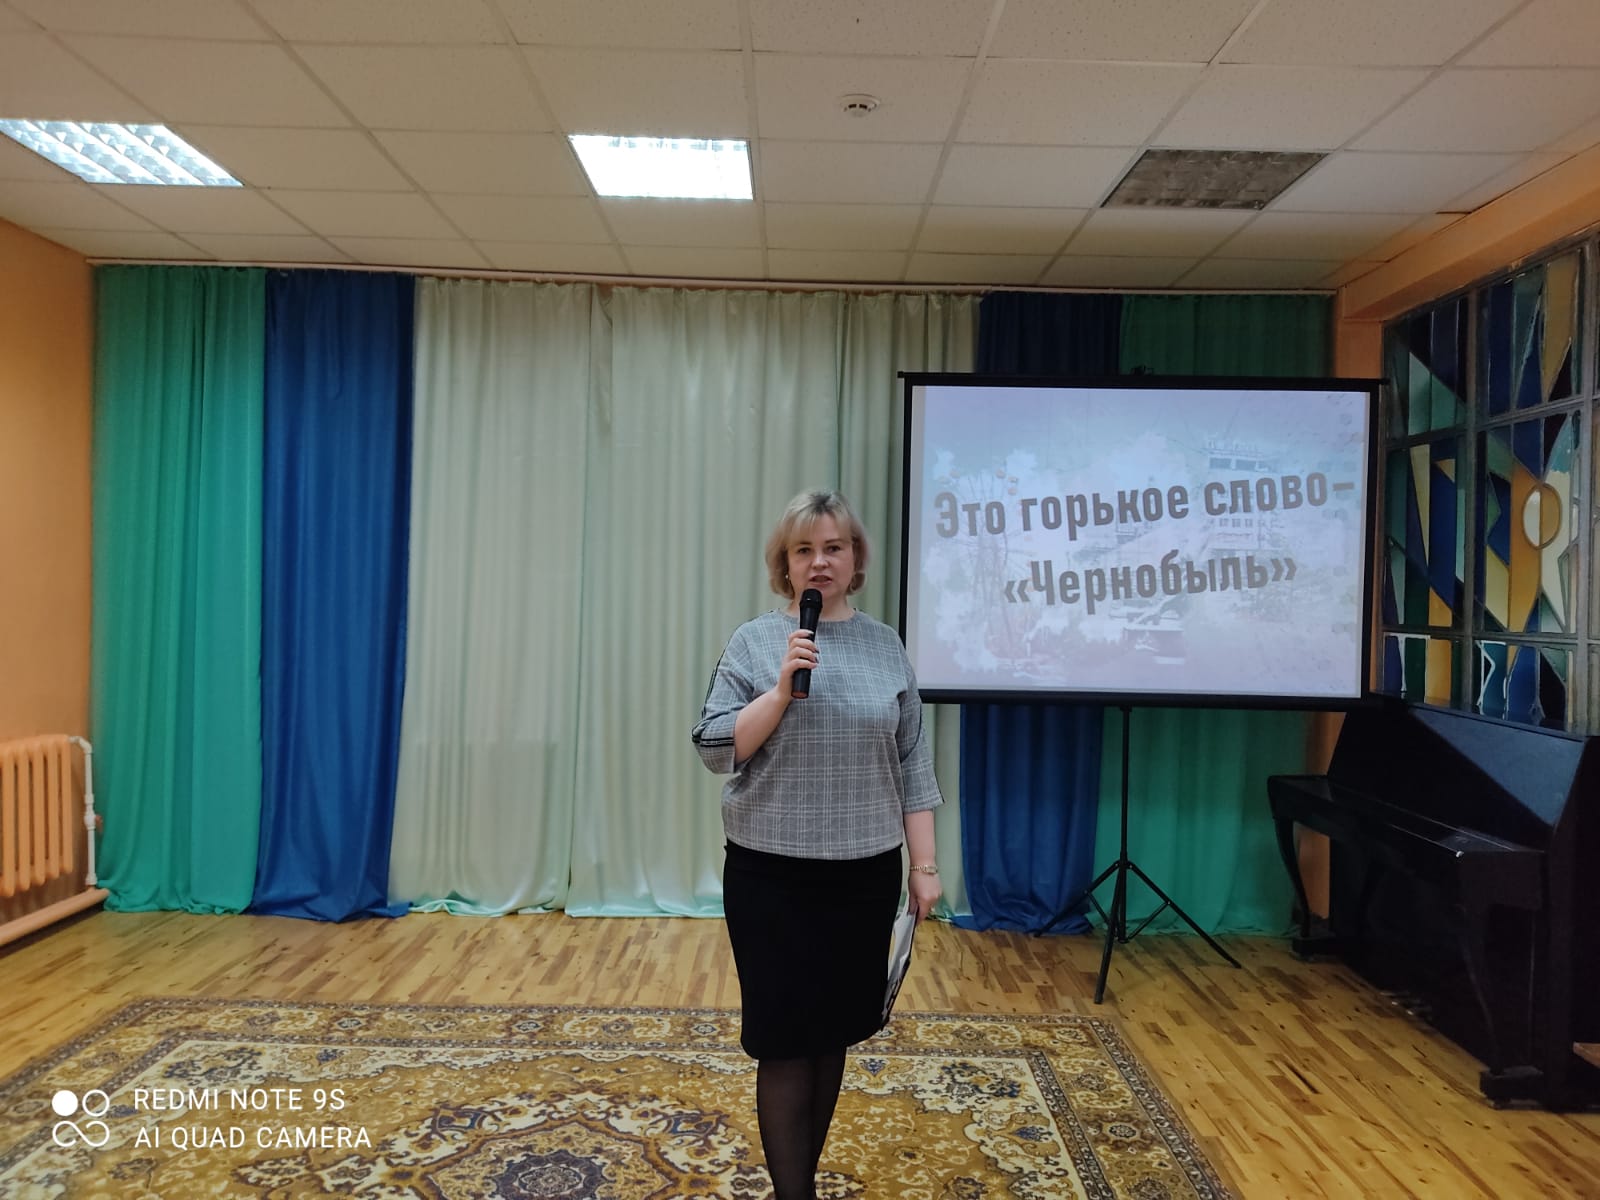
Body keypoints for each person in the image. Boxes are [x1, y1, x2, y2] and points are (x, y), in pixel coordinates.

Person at [691, 489, 943, 1200]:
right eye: (804, 549)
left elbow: (912, 764)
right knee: (784, 1040)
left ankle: (800, 1180)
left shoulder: (886, 646)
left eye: (834, 547)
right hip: (772, 878)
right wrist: (778, 692)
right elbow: (715, 747)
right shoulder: (755, 642)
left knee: (832, 1034)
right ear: (785, 564)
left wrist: (924, 865)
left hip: (863, 878)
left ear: (856, 558)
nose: (820, 561)